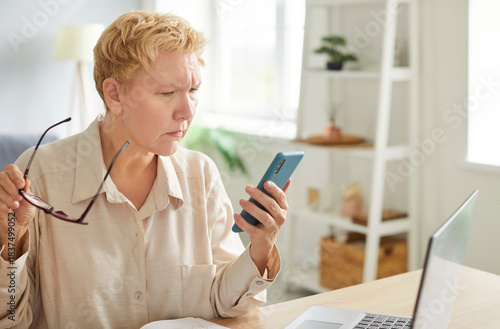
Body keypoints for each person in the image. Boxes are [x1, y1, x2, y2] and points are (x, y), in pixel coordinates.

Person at [0, 11, 290, 328]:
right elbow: (11, 318)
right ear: (115, 95)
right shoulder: (39, 174)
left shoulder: (200, 173)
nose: (187, 111)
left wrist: (261, 247)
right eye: (167, 93)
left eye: (193, 90)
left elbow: (223, 300)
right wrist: (9, 238)